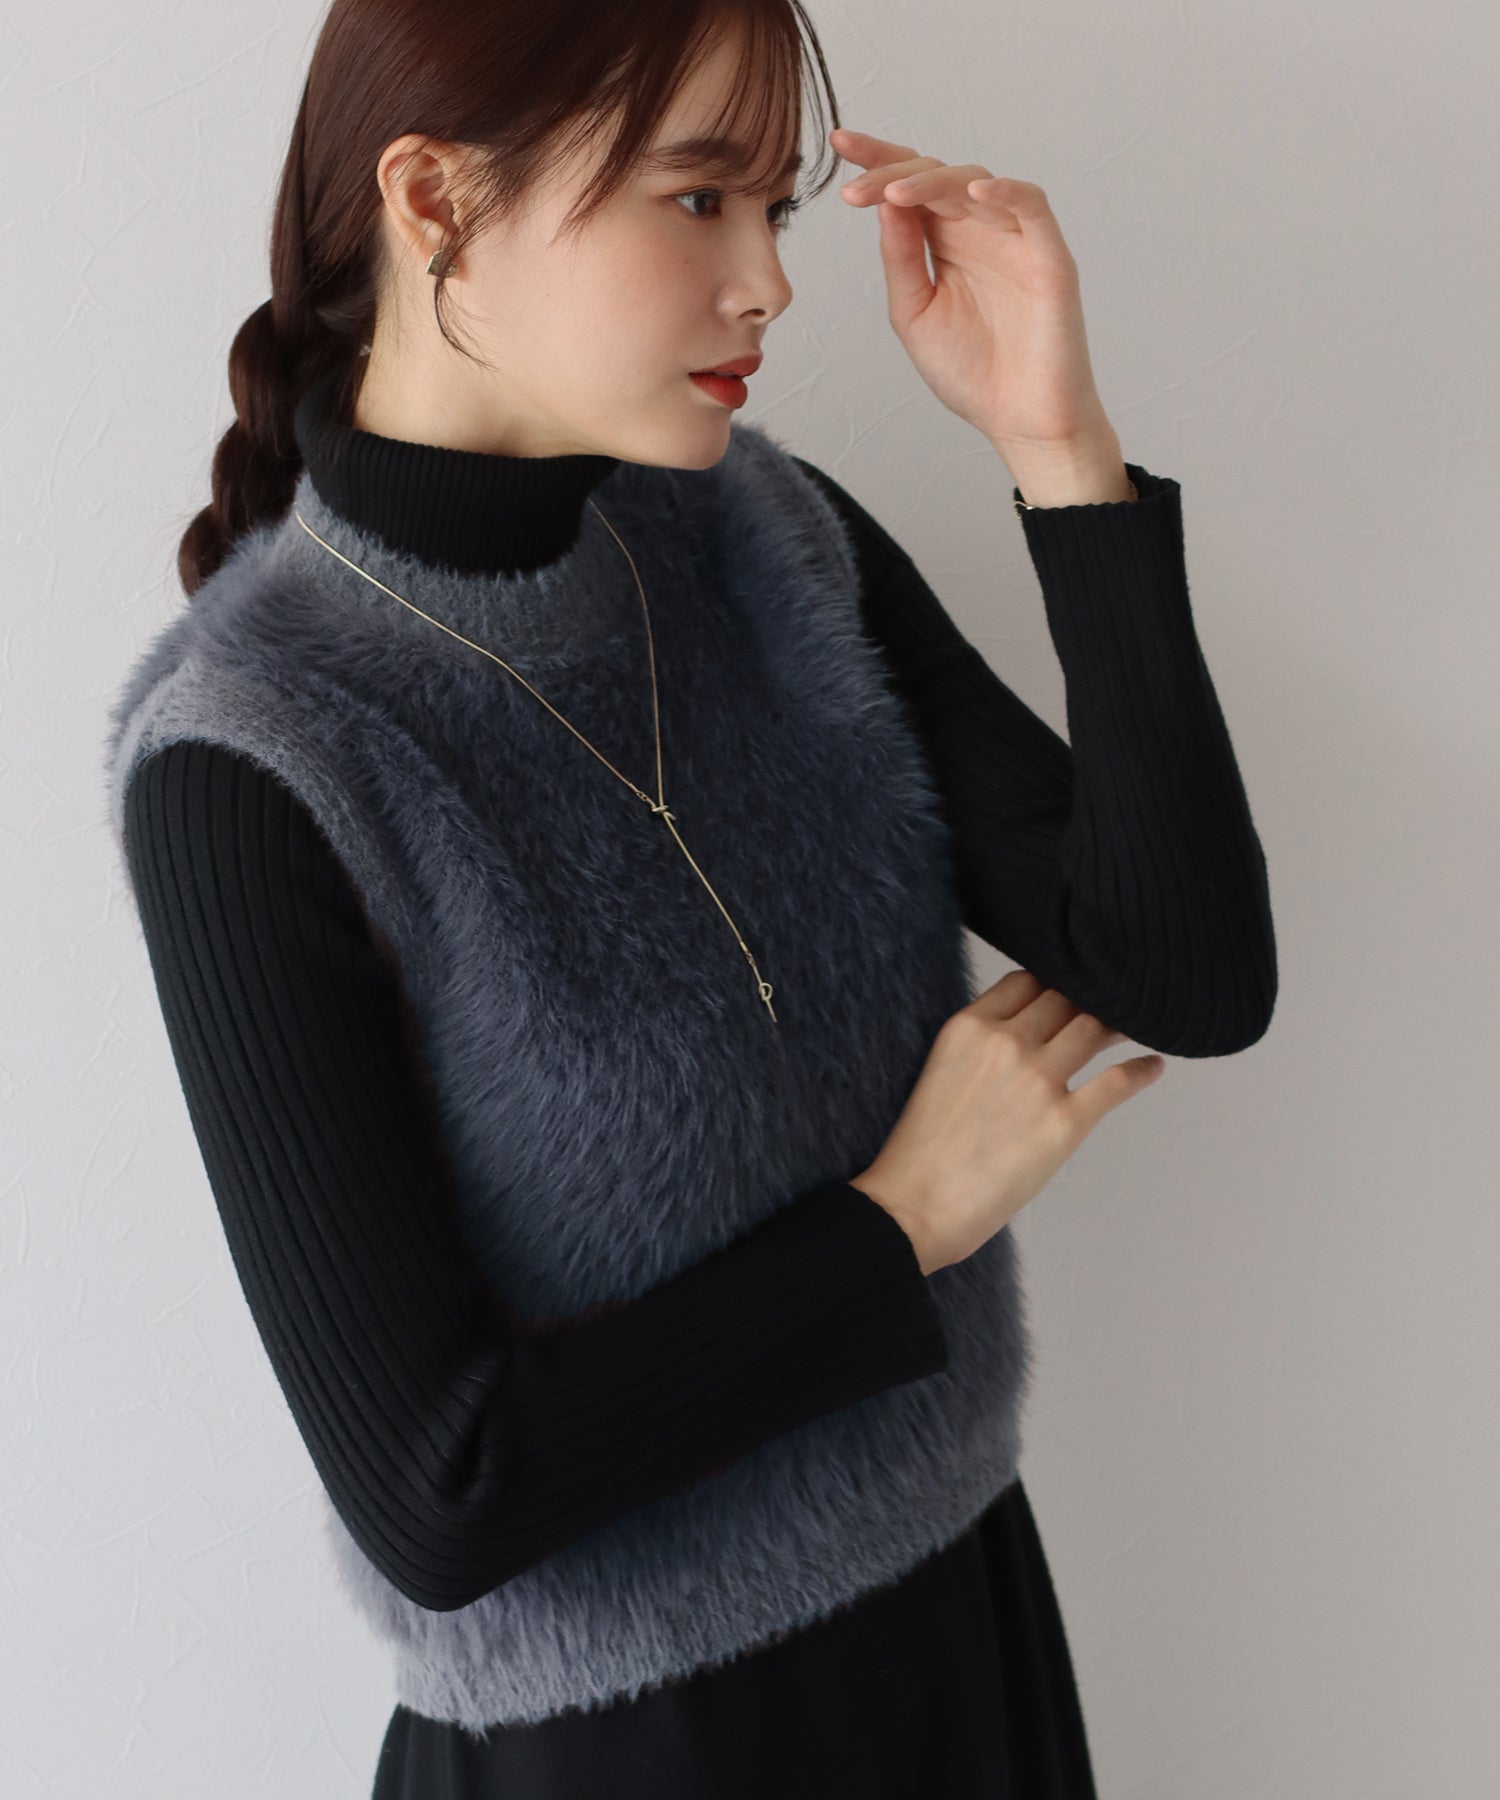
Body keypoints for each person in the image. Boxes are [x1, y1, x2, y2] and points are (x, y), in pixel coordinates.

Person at [101, 1, 1277, 1794]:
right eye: (698, 198)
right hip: (626, 1756)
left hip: (965, 1633)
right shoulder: (256, 756)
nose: (769, 284)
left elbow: (1186, 975)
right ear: (436, 201)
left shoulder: (768, 542)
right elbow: (441, 1488)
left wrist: (1061, 448)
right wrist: (903, 1220)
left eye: (775, 209)